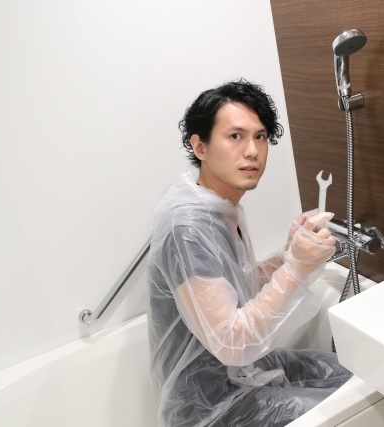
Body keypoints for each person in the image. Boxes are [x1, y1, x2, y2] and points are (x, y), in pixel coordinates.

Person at [147, 79, 352, 427]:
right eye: (235, 136)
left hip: (241, 375)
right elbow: (231, 342)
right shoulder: (188, 227)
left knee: (359, 373)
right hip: (212, 408)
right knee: (362, 401)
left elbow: (236, 288)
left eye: (260, 137)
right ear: (200, 146)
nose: (252, 151)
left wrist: (287, 254)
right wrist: (297, 269)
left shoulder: (215, 207)